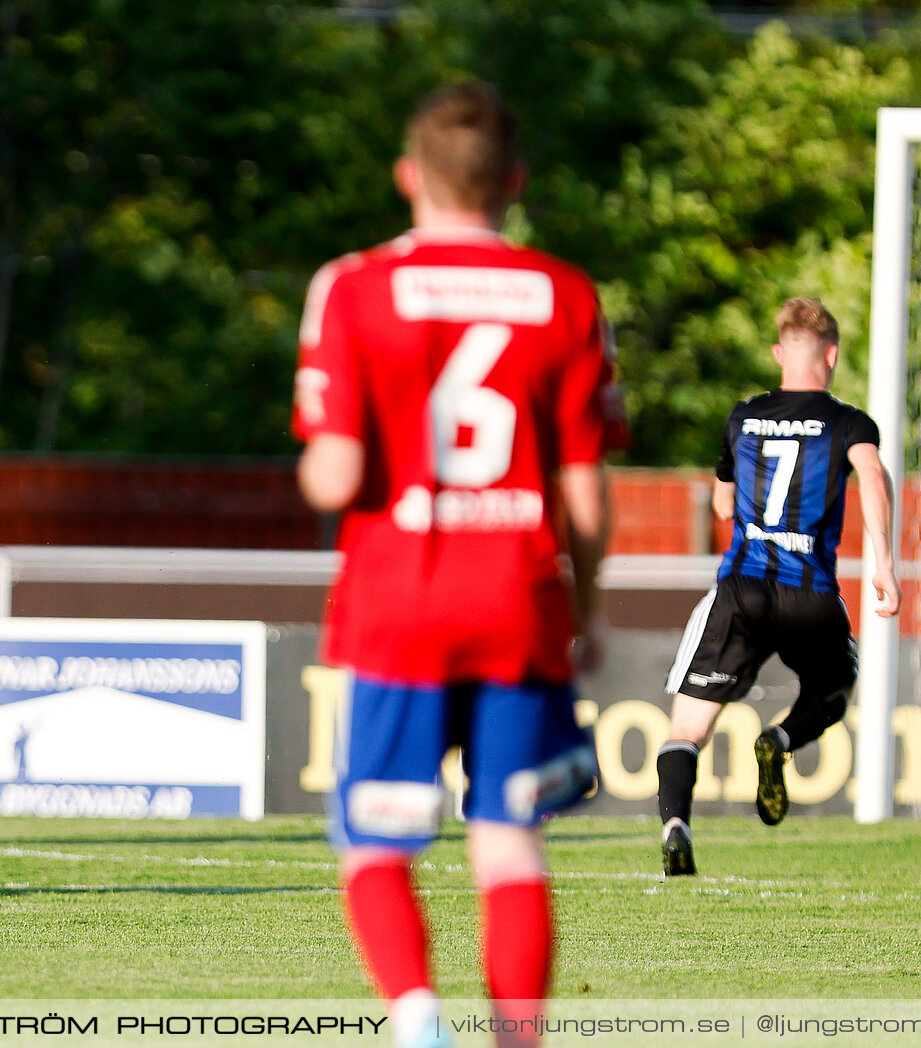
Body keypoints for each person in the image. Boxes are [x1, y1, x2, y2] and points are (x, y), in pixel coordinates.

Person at [294, 80, 622, 1048]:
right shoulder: (567, 295)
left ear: (408, 176)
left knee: (376, 836)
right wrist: (588, 611)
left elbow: (335, 472)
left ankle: (418, 1015)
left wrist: (323, 457)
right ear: (514, 181)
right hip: (519, 602)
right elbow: (586, 495)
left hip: (399, 598)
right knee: (510, 839)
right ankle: (516, 1039)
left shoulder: (353, 285)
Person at [656, 297, 900, 876]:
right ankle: (782, 742)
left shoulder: (743, 416)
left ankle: (675, 826)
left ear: (776, 353)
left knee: (687, 725)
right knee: (836, 689)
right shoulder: (849, 422)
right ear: (832, 355)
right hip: (810, 592)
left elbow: (721, 500)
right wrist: (884, 561)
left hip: (743, 589)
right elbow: (872, 475)